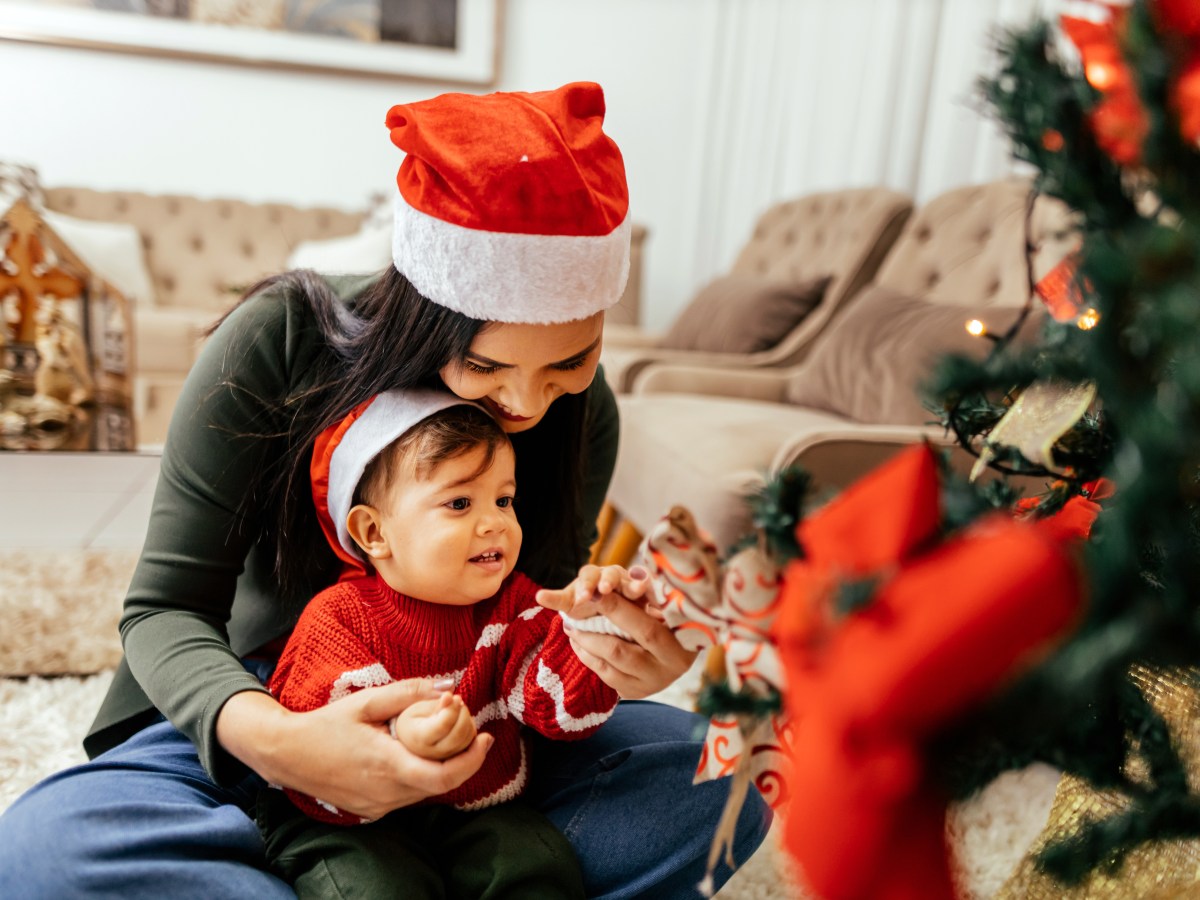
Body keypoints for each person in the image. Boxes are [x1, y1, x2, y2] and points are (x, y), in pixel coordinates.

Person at [0, 82, 770, 899]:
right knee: (46, 852)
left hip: (474, 731)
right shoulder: (277, 341)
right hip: (259, 701)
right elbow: (162, 611)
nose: (526, 406)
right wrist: (279, 743)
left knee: (724, 779)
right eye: (486, 368)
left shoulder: (584, 415)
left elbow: (531, 625)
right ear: (425, 316)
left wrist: (611, 663)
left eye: (568, 365)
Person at [259, 390, 633, 899]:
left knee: (537, 865)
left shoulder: (515, 604)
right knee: (376, 888)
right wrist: (401, 731)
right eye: (459, 503)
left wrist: (597, 634)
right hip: (352, 819)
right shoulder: (338, 618)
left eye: (504, 500)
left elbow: (557, 710)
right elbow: (317, 730)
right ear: (374, 532)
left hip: (477, 806)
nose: (495, 522)